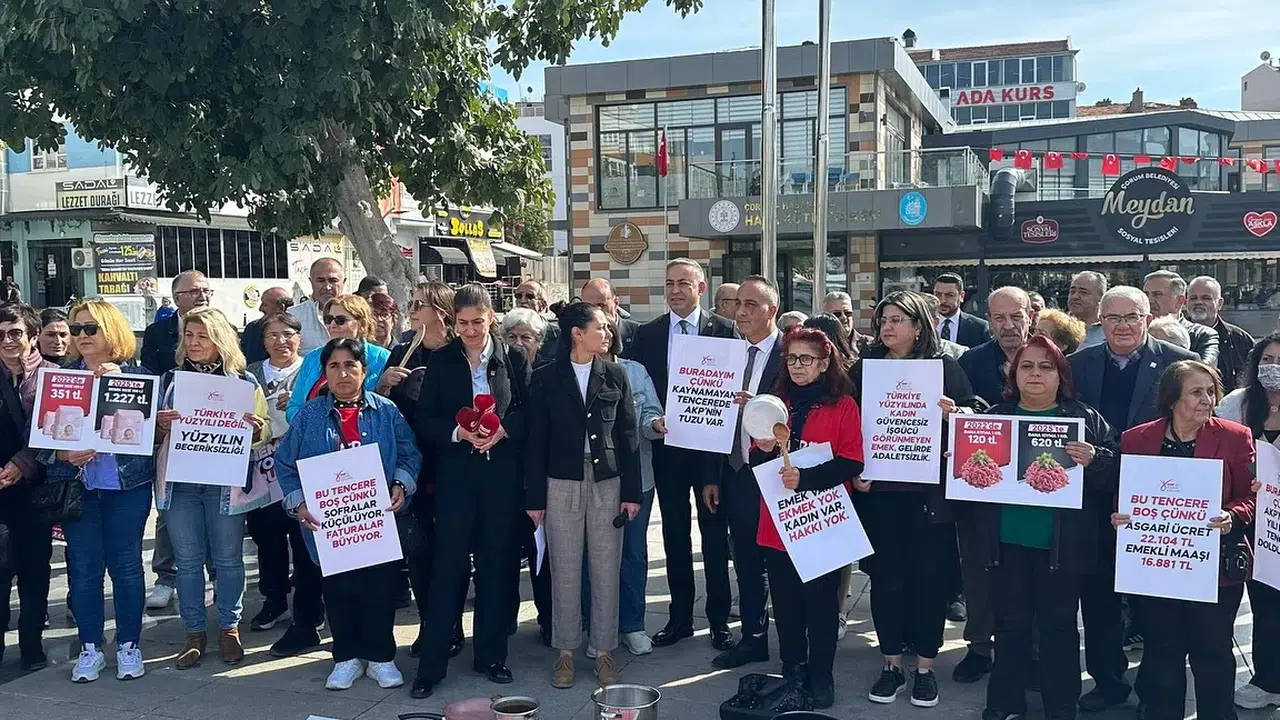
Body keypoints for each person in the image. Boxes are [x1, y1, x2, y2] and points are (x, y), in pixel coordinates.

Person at [1067, 285, 1198, 712]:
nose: (1122, 326)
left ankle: (1155, 690)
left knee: (1154, 607)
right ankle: (1108, 682)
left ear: (1148, 317)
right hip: (1093, 501)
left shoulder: (1178, 367)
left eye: (1131, 317)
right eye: (1113, 318)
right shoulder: (1075, 366)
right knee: (1100, 601)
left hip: (1157, 500)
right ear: (1099, 321)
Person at [975, 335, 1119, 720]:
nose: (1035, 373)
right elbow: (967, 484)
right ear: (1013, 373)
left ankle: (1061, 708)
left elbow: (1118, 474)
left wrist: (1097, 459)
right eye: (1027, 366)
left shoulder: (1084, 419)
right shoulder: (994, 418)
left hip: (1064, 547)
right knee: (1009, 628)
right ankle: (1004, 705)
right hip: (1005, 544)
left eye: (1046, 366)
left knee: (1059, 630)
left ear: (1061, 376)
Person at [852, 290, 978, 708]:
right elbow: (849, 426)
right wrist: (856, 471)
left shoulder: (943, 368)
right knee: (886, 582)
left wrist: (955, 414)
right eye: (883, 319)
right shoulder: (864, 370)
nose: (886, 327)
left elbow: (976, 417)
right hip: (881, 498)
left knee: (930, 583)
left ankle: (924, 668)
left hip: (930, 500)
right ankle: (891, 665)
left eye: (897, 320)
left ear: (919, 326)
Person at [276, 338, 421, 691]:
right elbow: (285, 464)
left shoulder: (386, 411)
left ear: (364, 371)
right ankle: (345, 657)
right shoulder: (310, 416)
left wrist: (401, 484)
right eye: (334, 367)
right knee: (339, 590)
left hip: (376, 521)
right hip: (330, 526)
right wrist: (298, 504)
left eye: (350, 366)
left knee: (380, 589)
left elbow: (409, 454)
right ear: (324, 373)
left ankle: (381, 656)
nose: (343, 373)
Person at [1114, 360, 1254, 720]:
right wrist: (1120, 516)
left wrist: (1232, 515)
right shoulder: (1137, 439)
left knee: (1213, 651)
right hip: (1157, 568)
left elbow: (1251, 497)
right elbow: (1127, 494)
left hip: (1213, 569)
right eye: (1196, 392)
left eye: (1210, 391)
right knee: (1162, 651)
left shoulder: (1236, 436)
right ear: (1172, 398)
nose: (1207, 400)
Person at [412, 285, 531, 699]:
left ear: (491, 318)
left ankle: (492, 656)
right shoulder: (442, 360)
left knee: (497, 568)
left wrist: (504, 430)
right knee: (449, 568)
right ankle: (432, 664)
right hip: (456, 480)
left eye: (477, 322)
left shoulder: (512, 357)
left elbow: (527, 410)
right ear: (452, 322)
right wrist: (457, 432)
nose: (470, 331)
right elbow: (424, 419)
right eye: (462, 324)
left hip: (500, 478)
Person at [525, 302, 641, 688]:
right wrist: (535, 498)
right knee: (565, 570)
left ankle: (605, 652)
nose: (608, 335)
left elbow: (628, 437)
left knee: (607, 568)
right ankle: (565, 653)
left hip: (607, 482)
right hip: (561, 482)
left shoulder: (615, 374)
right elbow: (535, 442)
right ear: (577, 333)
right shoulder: (545, 377)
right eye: (601, 328)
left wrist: (632, 492)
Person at [751, 326, 865, 710]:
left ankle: (821, 674)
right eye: (792, 358)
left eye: (806, 359)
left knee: (820, 604)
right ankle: (792, 669)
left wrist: (807, 478)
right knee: (785, 605)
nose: (798, 366)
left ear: (825, 361)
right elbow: (756, 459)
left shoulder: (843, 404)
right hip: (778, 523)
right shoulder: (774, 403)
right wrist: (766, 449)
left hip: (821, 522)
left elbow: (852, 461)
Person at [624, 258, 735, 651]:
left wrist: (711, 472)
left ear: (700, 288)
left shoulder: (725, 332)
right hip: (666, 453)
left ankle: (719, 620)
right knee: (674, 538)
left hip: (710, 455)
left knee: (714, 540)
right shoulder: (648, 335)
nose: (675, 290)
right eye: (669, 283)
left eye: (683, 283)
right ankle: (681, 617)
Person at [154, 307, 271, 669]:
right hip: (180, 483)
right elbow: (149, 436)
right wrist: (159, 426)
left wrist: (254, 429)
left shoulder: (244, 383)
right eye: (189, 336)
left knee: (228, 559)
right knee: (187, 562)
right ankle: (193, 633)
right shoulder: (170, 380)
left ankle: (228, 628)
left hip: (224, 484)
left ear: (220, 340)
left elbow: (264, 429)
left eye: (202, 336)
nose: (193, 343)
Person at [52, 300, 153, 683]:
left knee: (126, 566)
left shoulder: (139, 376)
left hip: (126, 487)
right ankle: (90, 647)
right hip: (80, 489)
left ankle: (129, 645)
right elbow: (44, 440)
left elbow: (151, 437)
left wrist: (119, 382)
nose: (81, 337)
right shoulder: (60, 377)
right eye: (76, 330)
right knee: (84, 569)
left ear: (111, 331)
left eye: (90, 328)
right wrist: (61, 453)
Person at [383, 282, 470, 659]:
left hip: (451, 462)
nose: (412, 311)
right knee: (417, 549)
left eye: (419, 304)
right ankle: (428, 622)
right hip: (411, 464)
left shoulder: (458, 354)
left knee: (452, 550)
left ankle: (451, 624)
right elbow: (381, 409)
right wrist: (382, 384)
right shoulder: (402, 351)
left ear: (440, 310)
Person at [702, 276, 783, 671]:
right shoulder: (726, 355)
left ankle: (795, 639)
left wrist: (764, 407)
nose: (742, 311)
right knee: (747, 562)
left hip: (780, 477)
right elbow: (709, 418)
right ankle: (753, 637)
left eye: (751, 304)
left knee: (783, 564)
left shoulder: (793, 353)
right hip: (735, 474)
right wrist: (712, 476)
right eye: (738, 304)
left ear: (773, 310)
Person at [954, 287, 1033, 684]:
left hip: (1034, 487)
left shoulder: (1048, 356)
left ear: (1030, 315)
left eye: (1015, 317)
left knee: (1028, 570)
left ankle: (1026, 650)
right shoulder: (972, 361)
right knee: (979, 568)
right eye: (998, 318)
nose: (1007, 326)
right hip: (981, 484)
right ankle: (979, 646)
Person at [243, 312, 326, 657]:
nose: (280, 341)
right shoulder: (251, 374)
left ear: (299, 336)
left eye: (287, 333)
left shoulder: (312, 370)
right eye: (272, 335)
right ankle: (273, 599)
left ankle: (310, 607)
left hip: (302, 467)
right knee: (267, 537)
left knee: (306, 540)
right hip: (262, 468)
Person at [581, 317, 664, 657]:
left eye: (605, 316)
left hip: (635, 477)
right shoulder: (572, 372)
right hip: (589, 480)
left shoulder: (636, 371)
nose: (602, 327)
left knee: (632, 553)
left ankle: (632, 625)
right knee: (589, 556)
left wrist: (656, 425)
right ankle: (594, 627)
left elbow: (648, 415)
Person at [1214, 334, 1280, 712]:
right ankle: (1268, 677)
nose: (1273, 368)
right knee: (1265, 603)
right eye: (1266, 359)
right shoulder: (1236, 404)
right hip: (1252, 520)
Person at [142, 270, 214, 610]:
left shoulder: (221, 325)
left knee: (217, 510)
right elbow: (150, 382)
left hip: (214, 437)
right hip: (173, 433)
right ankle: (165, 577)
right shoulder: (158, 332)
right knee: (169, 510)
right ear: (177, 296)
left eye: (206, 290)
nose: (202, 295)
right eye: (195, 291)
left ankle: (216, 577)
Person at [0, 304, 58, 671]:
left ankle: (32, 648)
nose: (7, 341)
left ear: (33, 336)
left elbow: (56, 431)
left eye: (15, 332)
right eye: (1, 333)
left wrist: (21, 465)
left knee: (35, 573)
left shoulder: (55, 377)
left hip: (37, 488)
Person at [285, 294, 390, 422]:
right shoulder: (312, 358)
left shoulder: (382, 358)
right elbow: (294, 406)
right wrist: (309, 425)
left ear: (361, 324)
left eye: (341, 320)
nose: (332, 325)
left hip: (364, 434)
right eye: (329, 319)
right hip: (314, 434)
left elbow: (386, 406)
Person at [1188, 276, 1254, 393]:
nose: (1198, 302)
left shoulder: (1240, 339)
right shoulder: (1176, 336)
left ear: (1220, 303)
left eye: (1206, 298)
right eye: (1193, 298)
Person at [1143, 269, 1219, 365]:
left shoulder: (1202, 335)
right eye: (1146, 295)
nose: (1149, 300)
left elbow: (1203, 371)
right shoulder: (1134, 331)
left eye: (1157, 295)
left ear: (1179, 302)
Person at [289, 258, 346, 355]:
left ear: (343, 282)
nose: (327, 287)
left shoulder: (357, 315)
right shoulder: (293, 316)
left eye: (333, 280)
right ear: (311, 281)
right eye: (321, 280)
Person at [581, 278, 640, 355]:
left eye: (600, 305)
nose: (595, 312)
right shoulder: (576, 337)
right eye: (589, 307)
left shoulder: (637, 333)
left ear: (616, 303)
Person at [933, 272, 989, 347]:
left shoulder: (979, 328)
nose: (942, 300)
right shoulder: (923, 325)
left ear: (962, 296)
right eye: (938, 294)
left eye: (950, 295)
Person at [240, 287, 292, 365]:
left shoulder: (298, 329)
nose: (260, 308)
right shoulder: (252, 329)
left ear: (281, 308)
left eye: (265, 304)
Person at [514, 280, 560, 365]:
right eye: (518, 296)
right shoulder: (506, 332)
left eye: (530, 296)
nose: (522, 300)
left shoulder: (559, 336)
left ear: (542, 304)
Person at [920, 292, 969, 360]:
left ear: (934, 322)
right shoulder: (900, 354)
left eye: (950, 295)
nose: (943, 300)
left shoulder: (958, 354)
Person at [1068, 271, 1108, 349]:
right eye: (1072, 291)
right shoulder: (1058, 328)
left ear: (1101, 298)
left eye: (1083, 292)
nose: (1075, 296)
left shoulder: (1110, 332)